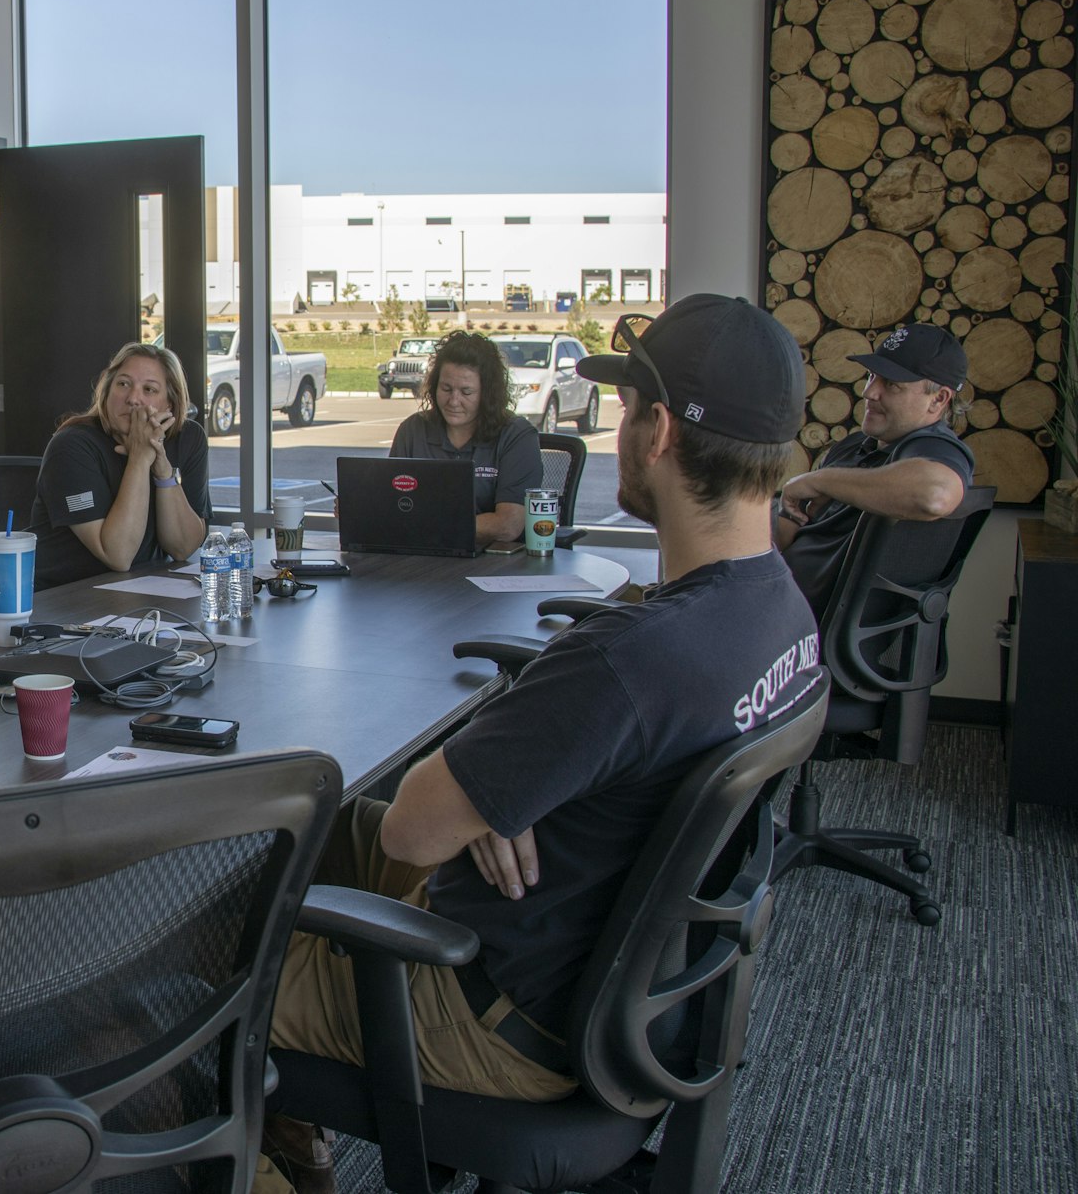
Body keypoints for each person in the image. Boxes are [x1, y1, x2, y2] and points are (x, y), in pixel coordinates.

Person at [263, 295, 821, 1193]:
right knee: (307, 824)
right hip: (620, 995)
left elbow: (413, 830)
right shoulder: (779, 614)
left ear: (660, 431)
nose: (622, 429)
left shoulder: (630, 659)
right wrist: (516, 780)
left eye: (629, 410)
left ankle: (270, 1137)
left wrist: (499, 781)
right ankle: (290, 1135)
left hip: (492, 1009)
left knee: (193, 982)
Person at [776, 322, 974, 616]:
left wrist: (821, 480)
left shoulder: (936, 448)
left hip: (808, 629)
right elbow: (792, 529)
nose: (869, 392)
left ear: (939, 399)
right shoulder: (854, 446)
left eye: (891, 384)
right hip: (778, 601)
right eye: (872, 377)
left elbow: (935, 493)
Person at [29, 341, 211, 589]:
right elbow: (118, 555)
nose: (133, 398)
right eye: (123, 384)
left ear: (170, 404)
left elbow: (182, 548)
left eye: (149, 389)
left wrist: (164, 472)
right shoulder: (72, 446)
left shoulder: (188, 439)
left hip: (142, 592)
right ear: (107, 390)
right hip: (65, 598)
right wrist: (139, 458)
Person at [387, 331, 544, 547]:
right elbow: (390, 506)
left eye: (467, 392)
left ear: (487, 394)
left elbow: (508, 525)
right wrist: (361, 509)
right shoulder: (413, 430)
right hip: (423, 560)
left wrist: (427, 525)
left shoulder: (517, 436)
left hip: (495, 566)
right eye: (446, 389)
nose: (453, 400)